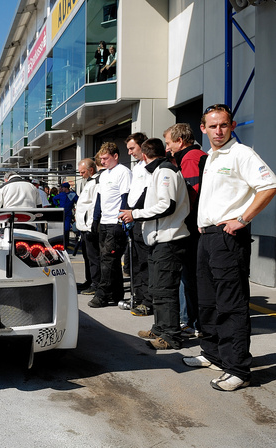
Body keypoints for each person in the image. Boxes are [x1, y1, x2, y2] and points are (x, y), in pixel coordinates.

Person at [183, 104, 276, 391]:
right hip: (207, 237)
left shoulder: (241, 154)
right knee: (207, 301)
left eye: (223, 125)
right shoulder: (210, 157)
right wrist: (202, 222)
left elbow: (269, 185)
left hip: (227, 238)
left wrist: (242, 219)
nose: (218, 130)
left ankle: (238, 369)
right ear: (203, 128)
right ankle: (213, 354)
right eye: (213, 126)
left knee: (231, 305)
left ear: (232, 126)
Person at [119, 138, 190, 350]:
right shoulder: (158, 171)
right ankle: (160, 328)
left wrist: (136, 214)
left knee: (165, 289)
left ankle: (170, 335)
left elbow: (167, 205)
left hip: (168, 239)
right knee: (157, 287)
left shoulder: (165, 171)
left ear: (144, 155)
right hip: (159, 239)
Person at [164, 123, 208, 338]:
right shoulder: (197, 154)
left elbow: (192, 193)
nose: (167, 148)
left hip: (192, 226)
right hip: (197, 224)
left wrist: (179, 217)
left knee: (188, 276)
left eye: (168, 143)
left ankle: (189, 322)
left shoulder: (190, 158)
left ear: (180, 141)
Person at [88, 142, 132, 308]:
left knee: (109, 258)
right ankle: (116, 293)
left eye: (106, 158)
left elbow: (125, 197)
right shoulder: (104, 175)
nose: (103, 161)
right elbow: (99, 199)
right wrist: (95, 219)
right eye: (101, 159)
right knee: (108, 260)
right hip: (105, 222)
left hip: (116, 222)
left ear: (115, 156)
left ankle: (103, 294)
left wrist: (123, 220)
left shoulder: (123, 172)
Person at [124, 133, 153, 317]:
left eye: (132, 148)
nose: (130, 152)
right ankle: (138, 296)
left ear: (142, 146)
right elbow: (132, 192)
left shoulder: (150, 167)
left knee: (145, 262)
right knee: (134, 262)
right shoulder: (137, 167)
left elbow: (146, 192)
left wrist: (133, 212)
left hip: (142, 218)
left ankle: (148, 301)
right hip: (132, 218)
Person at [75, 158, 101, 295]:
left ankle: (96, 283)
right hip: (83, 227)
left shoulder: (96, 182)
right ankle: (89, 280)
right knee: (86, 255)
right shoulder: (89, 182)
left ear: (91, 170)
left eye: (83, 172)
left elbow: (94, 206)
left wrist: (91, 225)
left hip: (89, 226)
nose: (81, 174)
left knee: (93, 256)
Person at [52, 182, 78, 248]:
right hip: (62, 213)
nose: (61, 188)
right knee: (62, 229)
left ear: (66, 188)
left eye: (62, 187)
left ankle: (66, 243)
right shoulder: (62, 194)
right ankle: (62, 242)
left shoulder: (72, 194)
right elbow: (54, 198)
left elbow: (78, 200)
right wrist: (57, 205)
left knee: (66, 228)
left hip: (68, 214)